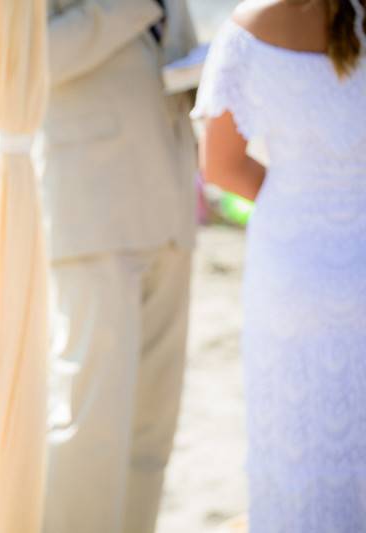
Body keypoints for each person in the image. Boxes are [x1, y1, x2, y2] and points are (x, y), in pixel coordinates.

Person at [194, 0, 366, 530]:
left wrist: (300, 198)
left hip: (291, 262)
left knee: (294, 448)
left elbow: (219, 166)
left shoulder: (249, 27)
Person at [41, 1, 198, 532]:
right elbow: (26, 65)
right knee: (93, 416)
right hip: (94, 212)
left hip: (173, 207)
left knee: (152, 423)